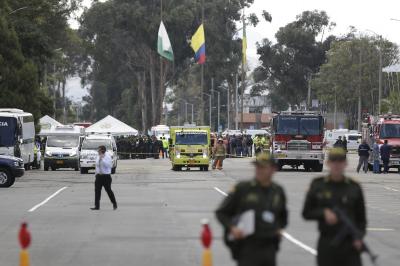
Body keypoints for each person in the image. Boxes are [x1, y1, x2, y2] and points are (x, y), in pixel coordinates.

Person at [216, 153, 288, 266]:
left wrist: (279, 228)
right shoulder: (243, 189)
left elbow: (283, 216)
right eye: (257, 167)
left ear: (273, 169)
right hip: (248, 247)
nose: (259, 170)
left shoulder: (277, 191)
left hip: (270, 247)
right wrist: (232, 228)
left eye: (263, 167)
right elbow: (221, 213)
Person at [302, 148, 367, 266]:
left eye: (340, 161)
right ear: (328, 163)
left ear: (345, 164)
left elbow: (361, 219)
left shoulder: (354, 187)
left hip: (350, 244)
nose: (337, 165)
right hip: (327, 243)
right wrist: (323, 213)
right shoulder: (318, 185)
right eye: (333, 161)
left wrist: (359, 237)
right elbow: (306, 212)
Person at [91, 145, 117, 211]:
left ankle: (114, 203)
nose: (98, 151)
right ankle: (97, 206)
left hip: (106, 177)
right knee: (97, 191)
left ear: (102, 151)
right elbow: (97, 165)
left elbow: (109, 166)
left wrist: (102, 159)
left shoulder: (107, 157)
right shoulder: (98, 157)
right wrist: (96, 173)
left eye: (99, 150)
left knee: (108, 190)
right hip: (99, 176)